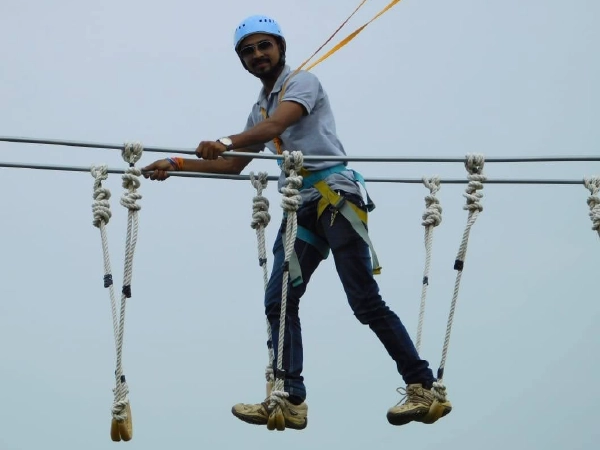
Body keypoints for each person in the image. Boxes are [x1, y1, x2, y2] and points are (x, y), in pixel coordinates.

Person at [143, 14, 452, 430]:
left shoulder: (303, 82)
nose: (257, 55)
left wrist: (226, 140)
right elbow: (234, 165)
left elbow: (276, 126)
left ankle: (422, 386)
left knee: (363, 299)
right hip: (302, 208)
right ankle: (290, 398)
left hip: (334, 194)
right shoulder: (258, 108)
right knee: (279, 301)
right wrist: (177, 163)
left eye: (263, 46)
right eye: (248, 51)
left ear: (280, 47)